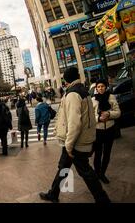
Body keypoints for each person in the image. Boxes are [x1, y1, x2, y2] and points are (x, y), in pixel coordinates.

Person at [39, 67, 110, 203]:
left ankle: (102, 199)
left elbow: (74, 123)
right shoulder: (83, 90)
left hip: (76, 141)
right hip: (79, 138)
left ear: (66, 80)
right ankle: (53, 194)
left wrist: (69, 145)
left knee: (86, 171)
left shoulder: (72, 94)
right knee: (63, 167)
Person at [92, 78, 121, 184]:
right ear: (96, 88)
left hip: (110, 129)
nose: (100, 88)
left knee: (107, 153)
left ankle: (102, 174)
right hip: (98, 130)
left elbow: (118, 112)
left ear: (106, 87)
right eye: (98, 87)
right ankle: (96, 173)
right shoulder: (93, 100)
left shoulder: (111, 97)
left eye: (102, 86)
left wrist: (109, 114)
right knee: (98, 153)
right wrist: (98, 118)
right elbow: (90, 117)